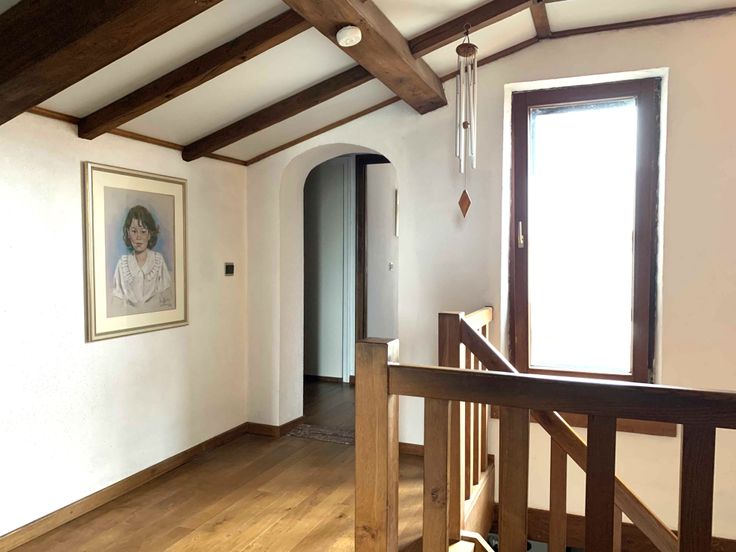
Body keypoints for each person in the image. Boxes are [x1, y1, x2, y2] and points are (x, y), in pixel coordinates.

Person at [111, 205, 173, 315]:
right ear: (128, 233)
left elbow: (168, 300)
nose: (138, 237)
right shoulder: (122, 264)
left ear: (149, 234)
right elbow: (116, 302)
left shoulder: (158, 261)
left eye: (143, 231)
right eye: (134, 231)